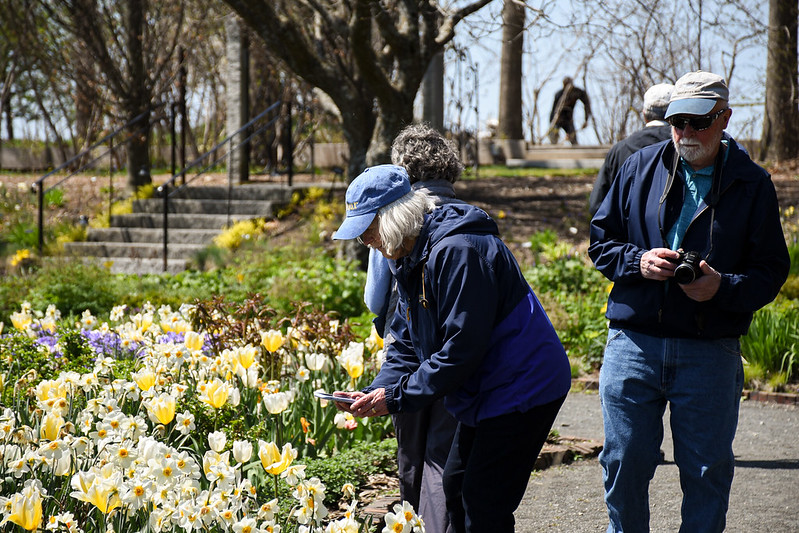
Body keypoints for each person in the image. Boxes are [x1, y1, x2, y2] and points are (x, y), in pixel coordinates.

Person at [588, 70, 790, 533]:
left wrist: (723, 288)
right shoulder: (638, 166)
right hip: (633, 343)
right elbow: (601, 242)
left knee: (706, 474)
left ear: (724, 119)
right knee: (622, 465)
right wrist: (637, 261)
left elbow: (770, 271)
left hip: (709, 349)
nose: (685, 133)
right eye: (677, 121)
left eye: (698, 123)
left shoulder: (752, 182)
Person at [332, 164, 571, 533]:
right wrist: (376, 390)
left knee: (483, 501)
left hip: (523, 385)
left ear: (394, 217)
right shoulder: (409, 255)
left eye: (368, 231)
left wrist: (395, 398)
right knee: (456, 486)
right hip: (486, 387)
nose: (367, 244)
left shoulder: (458, 250)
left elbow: (460, 350)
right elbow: (405, 341)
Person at [363, 123, 463, 533]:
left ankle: (416, 524)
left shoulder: (397, 216)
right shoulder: (463, 215)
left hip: (410, 346)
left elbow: (375, 296)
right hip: (452, 361)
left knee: (413, 456)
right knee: (444, 454)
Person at [588, 83, 675, 216]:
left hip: (628, 235)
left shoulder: (619, 150)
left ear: (644, 114)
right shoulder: (686, 148)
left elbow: (597, 206)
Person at [548, 76, 592, 145]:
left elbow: (586, 103)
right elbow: (553, 110)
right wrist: (551, 123)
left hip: (568, 120)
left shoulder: (576, 92)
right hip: (557, 119)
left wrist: (586, 119)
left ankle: (576, 152)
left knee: (573, 140)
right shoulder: (559, 94)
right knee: (553, 137)